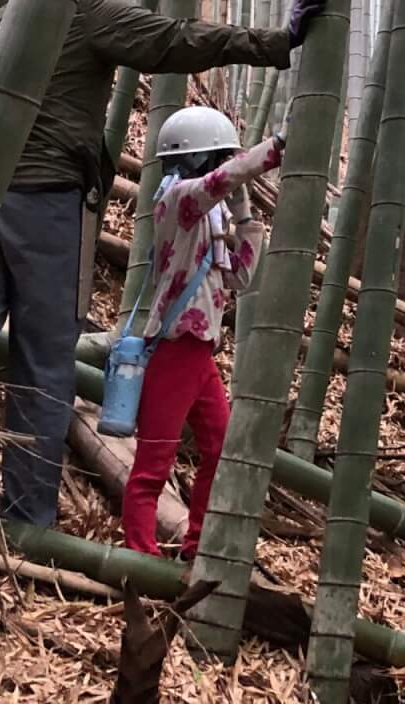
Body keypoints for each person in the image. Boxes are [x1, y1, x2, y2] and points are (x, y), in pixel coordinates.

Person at [0, 0, 325, 534]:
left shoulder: (2, 13)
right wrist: (279, 40)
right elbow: (177, 39)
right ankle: (26, 515)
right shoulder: (85, 11)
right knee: (44, 363)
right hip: (47, 204)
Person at [119, 106, 280, 557]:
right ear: (195, 160)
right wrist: (273, 150)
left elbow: (238, 278)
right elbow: (219, 182)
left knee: (220, 449)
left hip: (199, 351)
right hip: (176, 348)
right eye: (216, 157)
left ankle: (197, 545)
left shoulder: (207, 218)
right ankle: (139, 556)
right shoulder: (176, 201)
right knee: (154, 462)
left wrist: (246, 215)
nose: (219, 167)